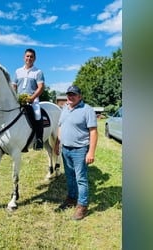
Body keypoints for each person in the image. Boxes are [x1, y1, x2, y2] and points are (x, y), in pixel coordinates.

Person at [54, 85, 98, 220]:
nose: (70, 97)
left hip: (80, 150)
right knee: (70, 176)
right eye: (68, 94)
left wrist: (91, 152)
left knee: (81, 179)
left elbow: (93, 132)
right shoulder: (65, 108)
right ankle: (72, 198)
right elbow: (60, 126)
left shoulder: (87, 110)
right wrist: (57, 144)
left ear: (80, 96)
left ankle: (82, 205)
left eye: (73, 94)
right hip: (65, 149)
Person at [12, 48, 45, 150]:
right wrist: (14, 97)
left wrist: (32, 98)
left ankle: (39, 140)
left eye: (31, 56)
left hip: (32, 100)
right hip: (19, 100)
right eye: (27, 56)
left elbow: (41, 87)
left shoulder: (38, 72)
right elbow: (14, 86)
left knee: (38, 116)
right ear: (24, 57)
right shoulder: (18, 71)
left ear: (34, 58)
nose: (29, 58)